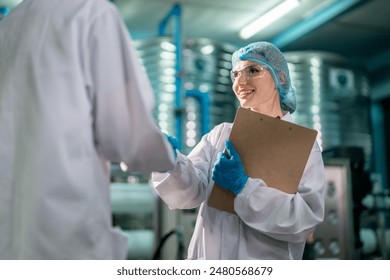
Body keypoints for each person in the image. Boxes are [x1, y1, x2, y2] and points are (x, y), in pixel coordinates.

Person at [0, 0, 175, 259]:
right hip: (65, 233)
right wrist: (166, 155)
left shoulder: (8, 26)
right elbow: (124, 138)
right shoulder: (93, 13)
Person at [152, 41, 326, 260]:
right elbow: (190, 193)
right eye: (235, 74)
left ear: (280, 78)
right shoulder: (221, 135)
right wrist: (170, 162)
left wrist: (244, 187)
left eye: (253, 70)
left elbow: (304, 220)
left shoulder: (302, 145)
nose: (240, 82)